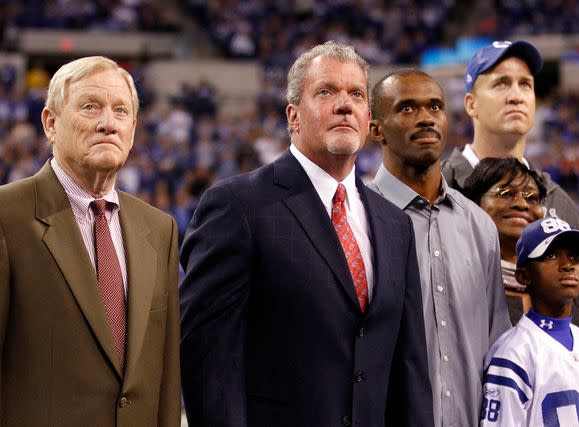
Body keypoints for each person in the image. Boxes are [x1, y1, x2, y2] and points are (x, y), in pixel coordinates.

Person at [180, 42, 433, 427]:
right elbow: (207, 360)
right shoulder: (237, 206)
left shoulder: (395, 224)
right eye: (326, 92)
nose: (344, 104)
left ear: (368, 118)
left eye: (357, 95)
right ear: (293, 116)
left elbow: (408, 365)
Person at [0, 56, 181, 426]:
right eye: (90, 107)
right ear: (51, 123)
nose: (107, 123)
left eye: (121, 111)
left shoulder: (159, 230)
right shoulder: (7, 216)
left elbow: (163, 380)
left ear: (133, 128)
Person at [368, 68, 510, 427]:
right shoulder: (356, 217)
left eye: (435, 107)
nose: (426, 118)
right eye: (407, 109)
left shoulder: (479, 225)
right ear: (375, 128)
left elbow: (496, 343)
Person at [441, 40, 579, 331]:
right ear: (470, 104)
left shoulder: (557, 201)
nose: (516, 96)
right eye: (501, 84)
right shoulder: (439, 191)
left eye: (525, 85)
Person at [481, 217, 579, 426]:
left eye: (575, 256)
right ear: (523, 275)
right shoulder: (513, 353)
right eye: (551, 255)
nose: (567, 265)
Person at [463, 157, 547, 324]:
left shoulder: (554, 289)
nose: (522, 204)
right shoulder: (455, 279)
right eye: (506, 194)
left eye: (532, 198)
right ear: (474, 204)